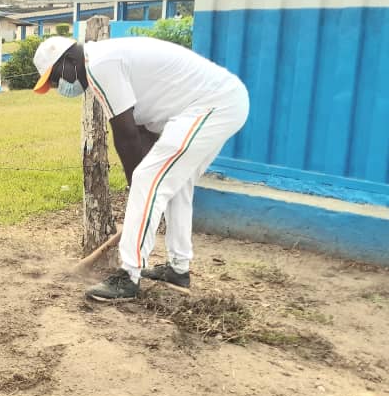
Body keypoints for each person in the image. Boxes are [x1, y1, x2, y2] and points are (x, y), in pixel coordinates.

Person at [33, 36, 249, 301]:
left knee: (148, 180)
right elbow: (141, 130)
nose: (57, 86)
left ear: (67, 61)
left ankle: (129, 275)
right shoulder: (102, 63)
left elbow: (125, 136)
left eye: (55, 78)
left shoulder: (99, 65)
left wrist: (139, 190)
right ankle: (178, 269)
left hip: (214, 104)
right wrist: (144, 192)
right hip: (218, 103)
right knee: (173, 185)